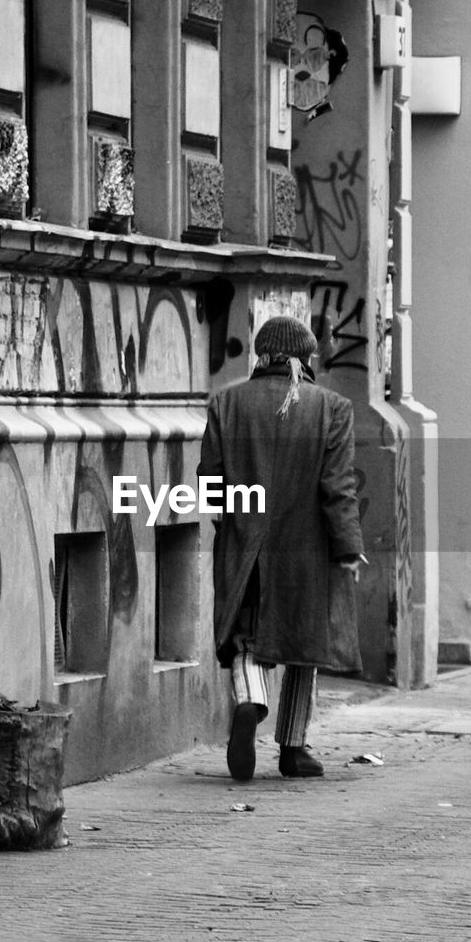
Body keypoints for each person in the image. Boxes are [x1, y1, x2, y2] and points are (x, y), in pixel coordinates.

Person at [198, 314, 365, 781]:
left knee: (247, 636)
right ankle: (293, 749)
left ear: (261, 355)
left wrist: (228, 522)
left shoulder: (226, 404)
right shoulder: (331, 406)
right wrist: (348, 546)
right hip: (306, 547)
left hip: (244, 541)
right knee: (303, 646)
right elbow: (338, 486)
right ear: (306, 357)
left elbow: (210, 481)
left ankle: (251, 700)